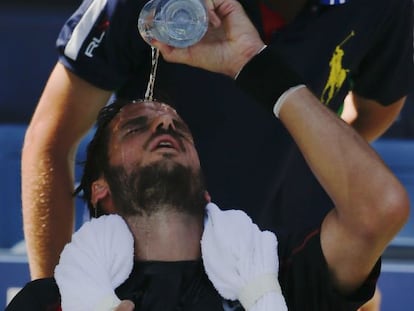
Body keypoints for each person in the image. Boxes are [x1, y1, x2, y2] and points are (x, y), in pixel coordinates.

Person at [22, 0, 413, 282]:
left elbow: (374, 117)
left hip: (284, 271)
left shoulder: (384, 10)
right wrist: (55, 296)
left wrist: (343, 261)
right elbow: (52, 139)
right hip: (143, 276)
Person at [7, 89, 407, 310]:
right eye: (134, 128)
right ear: (101, 190)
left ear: (205, 190)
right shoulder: (52, 302)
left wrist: (258, 69)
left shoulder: (277, 272)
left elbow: (380, 208)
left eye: (178, 127)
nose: (165, 122)